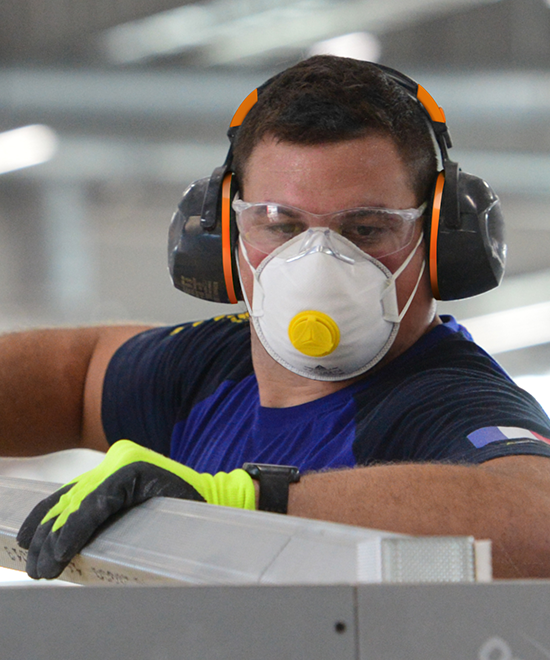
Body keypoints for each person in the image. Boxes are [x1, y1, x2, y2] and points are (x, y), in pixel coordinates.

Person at [7, 55, 550, 581]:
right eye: (281, 226)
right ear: (223, 234)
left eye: (366, 229)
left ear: (440, 241)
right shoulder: (210, 370)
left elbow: (537, 518)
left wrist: (244, 502)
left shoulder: (448, 402)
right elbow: (75, 374)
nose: (319, 264)